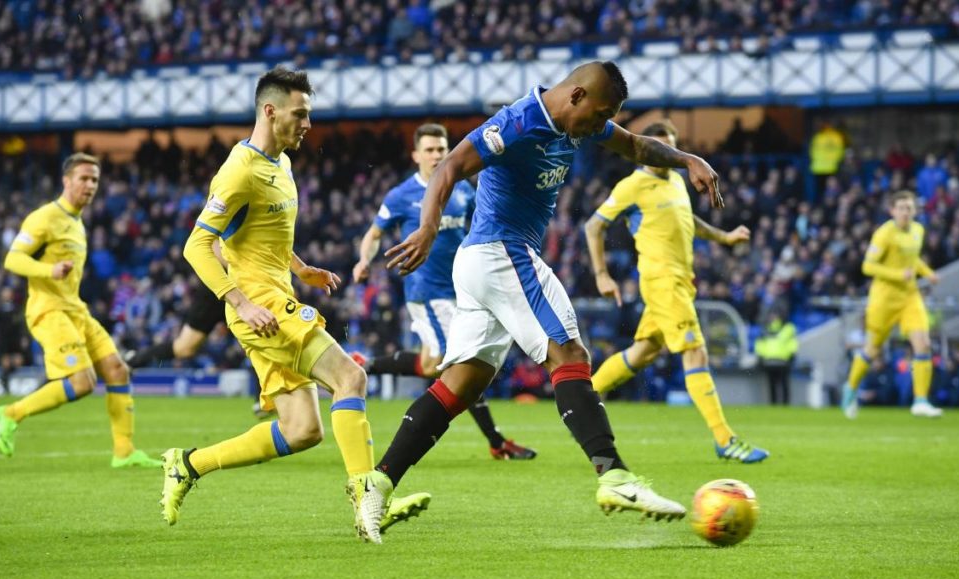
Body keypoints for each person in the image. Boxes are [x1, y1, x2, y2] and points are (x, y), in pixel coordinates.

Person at [355, 61, 727, 536]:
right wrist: (427, 226)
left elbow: (633, 145)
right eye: (600, 113)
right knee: (568, 352)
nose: (601, 125)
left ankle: (378, 484)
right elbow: (450, 166)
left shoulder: (578, 123)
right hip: (501, 251)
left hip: (483, 260)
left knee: (461, 384)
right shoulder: (517, 122)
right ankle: (614, 475)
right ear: (575, 96)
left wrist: (688, 159)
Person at [159, 67, 427, 544]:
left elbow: (264, 233)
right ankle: (370, 499)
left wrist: (302, 269)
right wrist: (239, 302)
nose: (308, 123)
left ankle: (188, 464)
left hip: (276, 296)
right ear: (270, 110)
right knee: (352, 377)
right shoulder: (240, 171)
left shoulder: (280, 163)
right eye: (300, 113)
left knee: (302, 430)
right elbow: (197, 245)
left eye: (309, 114)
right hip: (259, 306)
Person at [585, 120, 768, 463]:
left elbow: (690, 222)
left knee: (643, 351)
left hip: (681, 279)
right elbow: (593, 225)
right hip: (661, 280)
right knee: (695, 351)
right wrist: (601, 275)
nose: (667, 154)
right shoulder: (632, 186)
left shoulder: (678, 180)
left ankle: (584, 397)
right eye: (660, 148)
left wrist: (724, 238)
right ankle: (725, 438)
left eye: (671, 148)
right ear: (645, 149)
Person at [351, 123, 536, 460]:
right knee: (461, 362)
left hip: (461, 289)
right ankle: (496, 442)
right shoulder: (401, 195)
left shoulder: (462, 188)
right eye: (431, 150)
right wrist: (364, 260)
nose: (437, 155)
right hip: (427, 292)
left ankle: (365, 364)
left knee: (431, 363)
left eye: (442, 149)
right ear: (416, 155)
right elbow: (374, 233)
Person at [0, 153, 159, 468]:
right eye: (83, 178)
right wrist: (49, 270)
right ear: (66, 181)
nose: (90, 185)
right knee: (82, 383)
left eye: (94, 179)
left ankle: (124, 452)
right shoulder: (44, 218)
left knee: (117, 369)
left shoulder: (77, 222)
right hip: (48, 310)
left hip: (75, 310)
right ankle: (9, 413)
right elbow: (12, 259)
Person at [124, 249, 267, 418]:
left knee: (260, 335)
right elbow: (212, 246)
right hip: (218, 287)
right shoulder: (222, 224)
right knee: (185, 347)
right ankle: (134, 360)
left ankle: (263, 400)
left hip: (247, 286)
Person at [841, 190, 943, 419]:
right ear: (892, 211)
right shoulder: (884, 233)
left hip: (909, 297)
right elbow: (868, 266)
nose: (906, 212)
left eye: (910, 207)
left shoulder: (918, 230)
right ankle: (850, 388)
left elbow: (913, 259)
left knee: (923, 343)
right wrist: (898, 274)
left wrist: (928, 273)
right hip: (884, 299)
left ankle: (920, 401)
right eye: (902, 208)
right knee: (872, 350)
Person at [754, 310, 798, 405]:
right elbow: (760, 343)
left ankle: (785, 404)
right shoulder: (766, 328)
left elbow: (792, 342)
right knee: (772, 384)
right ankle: (773, 404)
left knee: (783, 383)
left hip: (783, 360)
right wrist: (760, 356)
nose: (773, 317)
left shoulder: (787, 328)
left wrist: (792, 354)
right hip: (770, 361)